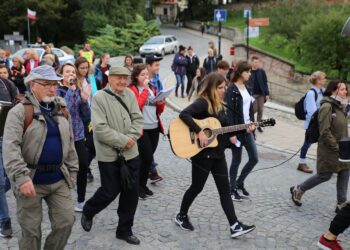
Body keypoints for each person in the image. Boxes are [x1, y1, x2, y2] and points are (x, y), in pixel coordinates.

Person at [3, 65, 78, 249]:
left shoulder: (61, 109)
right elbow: (10, 148)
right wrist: (21, 177)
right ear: (32, 85)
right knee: (31, 231)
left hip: (58, 178)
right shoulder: (19, 112)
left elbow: (69, 142)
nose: (52, 88)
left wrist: (73, 171)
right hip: (30, 179)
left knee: (66, 222)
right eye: (46, 84)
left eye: (55, 84)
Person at [174, 72, 256, 238]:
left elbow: (225, 128)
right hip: (202, 154)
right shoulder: (202, 102)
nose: (223, 90)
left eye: (224, 86)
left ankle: (234, 225)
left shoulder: (220, 105)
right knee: (197, 187)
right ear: (211, 88)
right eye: (220, 87)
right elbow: (184, 114)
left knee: (225, 191)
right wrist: (200, 132)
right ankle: (181, 215)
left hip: (218, 154)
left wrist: (244, 128)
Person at [81, 66, 144, 245]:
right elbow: (100, 130)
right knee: (109, 191)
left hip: (131, 154)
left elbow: (138, 119)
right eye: (118, 78)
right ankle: (89, 210)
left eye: (126, 78)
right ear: (110, 78)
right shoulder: (99, 97)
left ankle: (124, 230)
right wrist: (124, 141)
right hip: (109, 155)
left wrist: (131, 139)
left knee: (131, 194)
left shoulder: (130, 95)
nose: (123, 81)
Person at [291, 80, 350, 212]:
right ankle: (299, 189)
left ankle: (341, 203)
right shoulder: (327, 107)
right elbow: (325, 131)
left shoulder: (341, 106)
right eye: (342, 89)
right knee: (325, 175)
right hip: (329, 148)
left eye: (345, 89)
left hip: (343, 148)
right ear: (333, 91)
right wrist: (336, 147)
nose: (345, 92)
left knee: (345, 172)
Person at [57, 63, 91, 212]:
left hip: (77, 134)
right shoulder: (57, 91)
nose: (71, 74)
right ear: (61, 74)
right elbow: (66, 110)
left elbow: (86, 115)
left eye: (73, 72)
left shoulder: (78, 89)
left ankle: (81, 200)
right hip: (62, 136)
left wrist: (84, 101)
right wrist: (71, 91)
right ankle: (60, 200)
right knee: (61, 168)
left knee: (83, 165)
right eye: (67, 72)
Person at [129, 64, 165, 199]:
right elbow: (137, 106)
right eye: (142, 75)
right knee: (146, 158)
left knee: (147, 159)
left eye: (146, 74)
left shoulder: (153, 89)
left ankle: (142, 185)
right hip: (141, 129)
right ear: (136, 77)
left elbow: (159, 111)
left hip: (154, 127)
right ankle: (138, 187)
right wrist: (144, 89)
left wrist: (161, 102)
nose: (145, 77)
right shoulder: (132, 89)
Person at [225, 61, 258, 201]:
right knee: (236, 160)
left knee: (254, 158)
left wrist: (252, 123)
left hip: (247, 129)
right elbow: (230, 113)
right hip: (236, 130)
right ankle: (231, 189)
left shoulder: (248, 88)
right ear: (240, 72)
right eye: (247, 71)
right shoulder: (231, 89)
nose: (250, 74)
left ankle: (239, 183)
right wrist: (231, 134)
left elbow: (250, 109)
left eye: (250, 71)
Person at [0, 73, 19, 238]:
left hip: (6, 139)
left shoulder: (6, 84)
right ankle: (4, 220)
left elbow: (17, 105)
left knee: (10, 178)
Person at [297, 71, 326, 174]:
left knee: (323, 143)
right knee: (307, 143)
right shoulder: (311, 93)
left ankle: (324, 164)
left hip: (321, 122)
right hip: (313, 124)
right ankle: (301, 163)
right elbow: (311, 112)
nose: (324, 80)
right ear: (317, 80)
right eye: (323, 78)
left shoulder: (322, 91)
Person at [75, 57, 95, 183]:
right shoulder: (74, 82)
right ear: (76, 68)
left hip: (90, 116)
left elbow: (93, 97)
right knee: (81, 145)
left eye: (86, 67)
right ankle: (83, 168)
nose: (84, 70)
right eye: (82, 67)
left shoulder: (89, 80)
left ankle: (85, 166)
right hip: (78, 118)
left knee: (92, 145)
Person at [146, 55, 164, 183]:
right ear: (148, 66)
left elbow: (159, 108)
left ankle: (149, 171)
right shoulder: (141, 81)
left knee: (149, 150)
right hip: (142, 124)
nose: (158, 67)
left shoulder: (157, 81)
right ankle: (152, 172)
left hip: (154, 121)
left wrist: (161, 102)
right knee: (146, 151)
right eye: (156, 65)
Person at [247, 56, 269, 132]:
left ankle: (258, 125)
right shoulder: (249, 71)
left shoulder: (261, 71)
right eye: (255, 62)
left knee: (261, 109)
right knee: (254, 109)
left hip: (261, 94)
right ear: (252, 62)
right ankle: (250, 123)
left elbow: (265, 83)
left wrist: (267, 93)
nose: (257, 63)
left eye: (258, 62)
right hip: (252, 94)